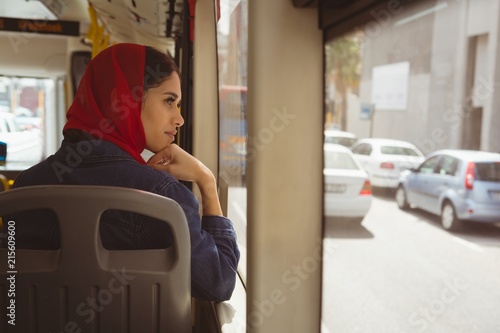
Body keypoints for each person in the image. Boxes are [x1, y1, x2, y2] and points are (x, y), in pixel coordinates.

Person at [9, 43, 240, 302]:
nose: (179, 119)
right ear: (128, 99)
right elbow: (219, 282)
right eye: (169, 101)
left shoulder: (23, 188)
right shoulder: (163, 198)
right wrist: (206, 181)